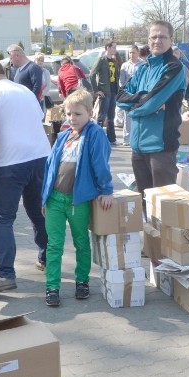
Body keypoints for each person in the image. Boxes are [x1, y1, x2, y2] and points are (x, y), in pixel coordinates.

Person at [0, 58, 51, 293]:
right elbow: (37, 120)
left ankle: (5, 274)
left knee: (2, 218)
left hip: (10, 164)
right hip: (40, 157)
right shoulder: (25, 91)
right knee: (39, 213)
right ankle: (48, 259)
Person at [40, 89, 113, 307]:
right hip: (55, 200)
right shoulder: (62, 136)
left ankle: (82, 281)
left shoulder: (95, 134)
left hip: (77, 201)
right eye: (69, 113)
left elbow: (101, 164)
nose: (72, 118)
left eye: (77, 114)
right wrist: (44, 198)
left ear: (90, 113)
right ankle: (52, 287)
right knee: (54, 245)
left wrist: (106, 190)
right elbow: (50, 168)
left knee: (81, 243)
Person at [116, 20, 186, 199]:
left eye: (162, 36)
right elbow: (119, 98)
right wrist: (141, 98)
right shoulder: (143, 69)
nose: (157, 40)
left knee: (164, 207)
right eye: (153, 37)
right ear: (148, 40)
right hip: (138, 147)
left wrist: (135, 107)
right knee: (145, 206)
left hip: (160, 148)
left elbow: (150, 104)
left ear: (171, 39)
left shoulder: (174, 67)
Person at [89, 41, 122, 145]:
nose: (115, 49)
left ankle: (111, 139)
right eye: (113, 47)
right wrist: (97, 90)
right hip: (104, 91)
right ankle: (97, 139)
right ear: (107, 48)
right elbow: (92, 75)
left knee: (111, 117)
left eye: (115, 47)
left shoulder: (114, 61)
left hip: (113, 91)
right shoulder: (101, 60)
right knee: (101, 117)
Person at [7, 44, 44, 109]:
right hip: (21, 106)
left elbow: (37, 88)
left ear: (17, 55)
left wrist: (27, 103)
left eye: (11, 58)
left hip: (30, 108)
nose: (11, 62)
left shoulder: (33, 68)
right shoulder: (18, 69)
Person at [119, 45, 144, 143]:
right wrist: (124, 93)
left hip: (139, 94)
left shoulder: (143, 65)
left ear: (138, 53)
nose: (131, 55)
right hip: (128, 95)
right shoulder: (124, 65)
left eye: (133, 52)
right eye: (130, 52)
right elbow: (121, 81)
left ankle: (138, 138)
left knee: (139, 116)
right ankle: (127, 139)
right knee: (127, 117)